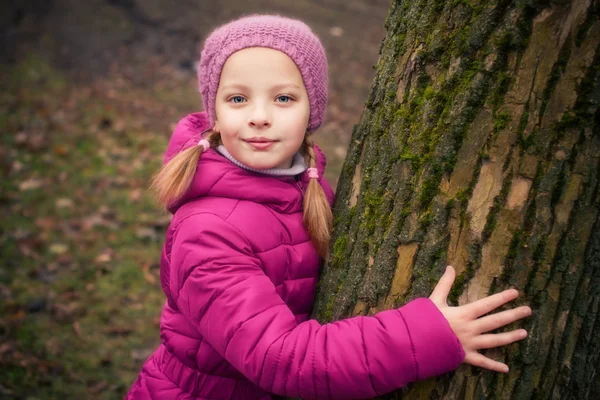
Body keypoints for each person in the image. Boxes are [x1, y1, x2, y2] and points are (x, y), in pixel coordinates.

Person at [126, 14, 531, 400]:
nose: (260, 117)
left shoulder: (305, 189)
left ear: (312, 111)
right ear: (214, 113)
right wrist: (428, 336)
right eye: (237, 99)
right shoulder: (206, 231)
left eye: (283, 97)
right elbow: (280, 358)